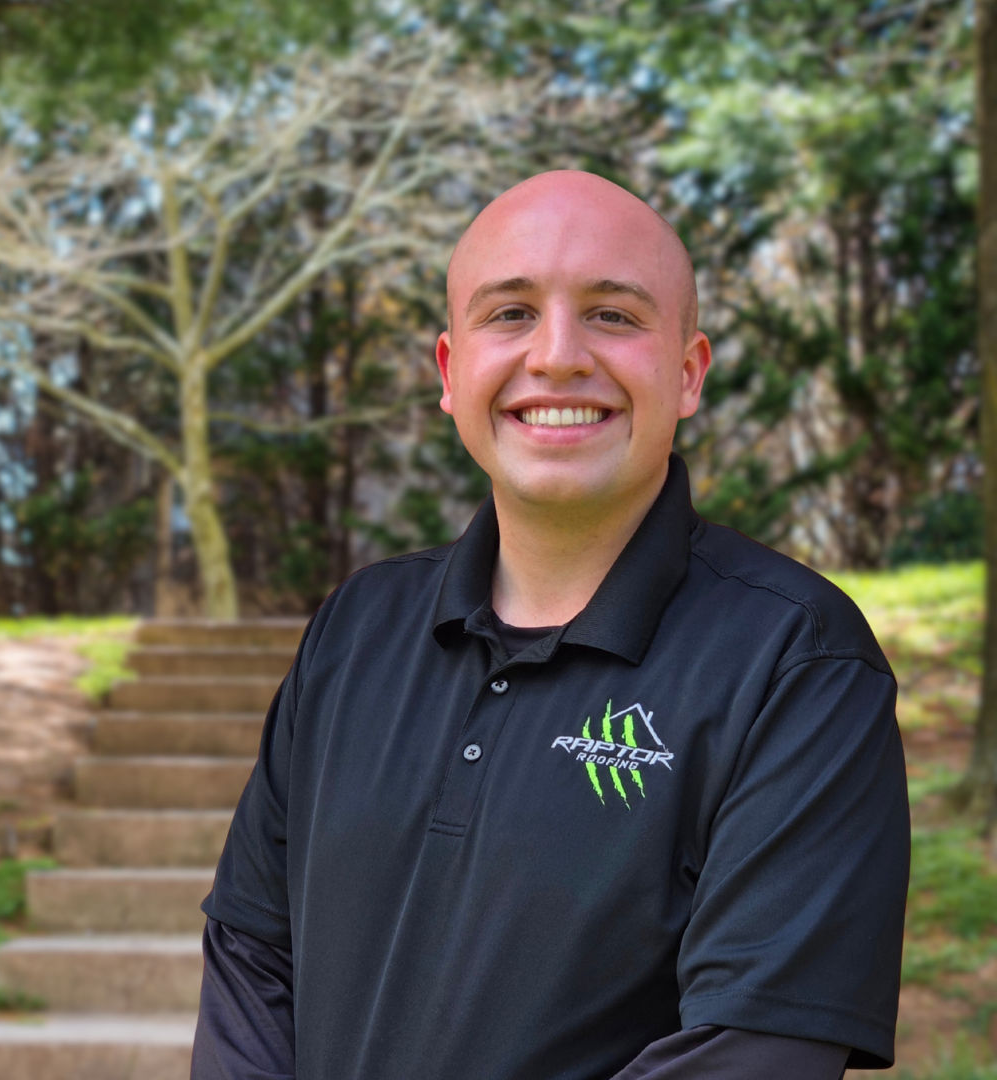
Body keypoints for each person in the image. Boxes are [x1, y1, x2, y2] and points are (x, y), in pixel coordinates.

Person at [191, 170, 910, 1080]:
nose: (558, 355)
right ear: (451, 375)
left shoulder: (802, 666)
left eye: (613, 314)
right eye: (510, 314)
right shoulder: (354, 631)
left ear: (687, 374)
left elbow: (751, 1053)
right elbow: (253, 967)